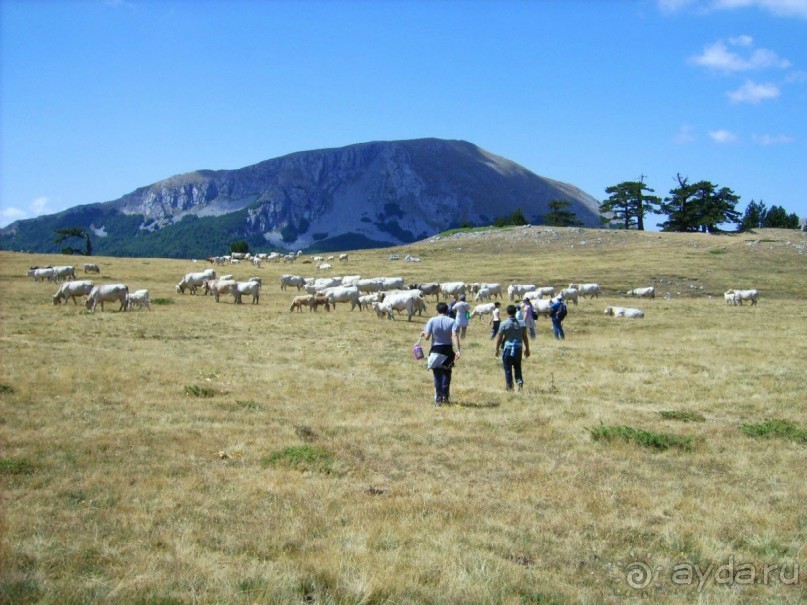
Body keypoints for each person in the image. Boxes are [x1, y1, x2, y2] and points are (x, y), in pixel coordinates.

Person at [421, 302, 461, 406]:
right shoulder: (452, 321)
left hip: (436, 350)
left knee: (437, 375)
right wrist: (457, 350)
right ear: (447, 310)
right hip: (448, 351)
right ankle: (445, 396)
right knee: (447, 374)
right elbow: (455, 336)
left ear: (437, 310)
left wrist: (424, 333)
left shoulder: (432, 320)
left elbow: (427, 337)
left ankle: (438, 399)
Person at [495, 304, 530, 391]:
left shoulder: (503, 324)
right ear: (516, 312)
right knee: (517, 366)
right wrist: (527, 349)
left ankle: (510, 386)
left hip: (508, 349)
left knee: (508, 368)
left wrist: (496, 349)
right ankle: (519, 381)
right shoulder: (522, 323)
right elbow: (525, 337)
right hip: (518, 348)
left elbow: (499, 338)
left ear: (507, 312)